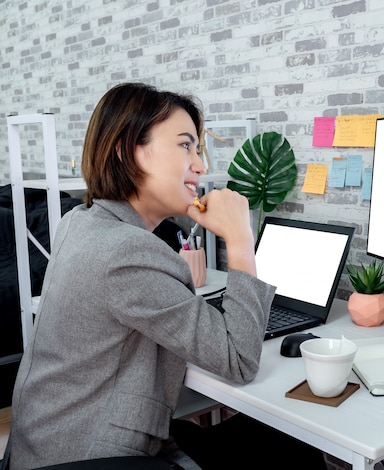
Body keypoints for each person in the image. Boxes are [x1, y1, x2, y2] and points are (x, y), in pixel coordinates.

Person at [2, 83, 326, 469]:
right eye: (185, 145)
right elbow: (239, 361)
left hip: (42, 447)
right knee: (294, 446)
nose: (201, 165)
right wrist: (240, 239)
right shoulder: (127, 250)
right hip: (93, 453)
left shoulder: (82, 221)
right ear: (127, 150)